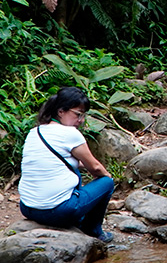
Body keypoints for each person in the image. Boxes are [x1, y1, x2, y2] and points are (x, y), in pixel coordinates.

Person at [18, 87, 115, 242]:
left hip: (28, 208)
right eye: (77, 114)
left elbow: (56, 161)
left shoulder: (35, 132)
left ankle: (77, 221)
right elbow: (95, 167)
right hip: (57, 212)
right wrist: (107, 177)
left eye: (83, 115)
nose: (81, 120)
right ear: (61, 111)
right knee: (106, 183)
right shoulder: (70, 134)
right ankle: (94, 231)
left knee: (74, 171)